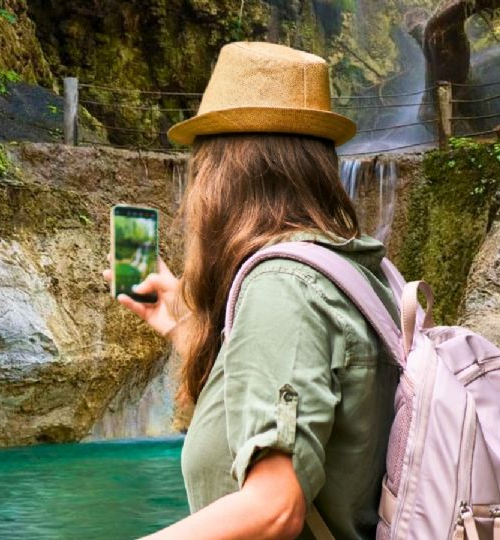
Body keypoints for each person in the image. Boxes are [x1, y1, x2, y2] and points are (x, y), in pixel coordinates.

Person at [106, 42, 400, 540]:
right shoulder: (361, 273)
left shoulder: (283, 288)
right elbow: (294, 382)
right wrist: (182, 323)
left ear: (223, 177)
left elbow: (275, 507)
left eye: (200, 169)